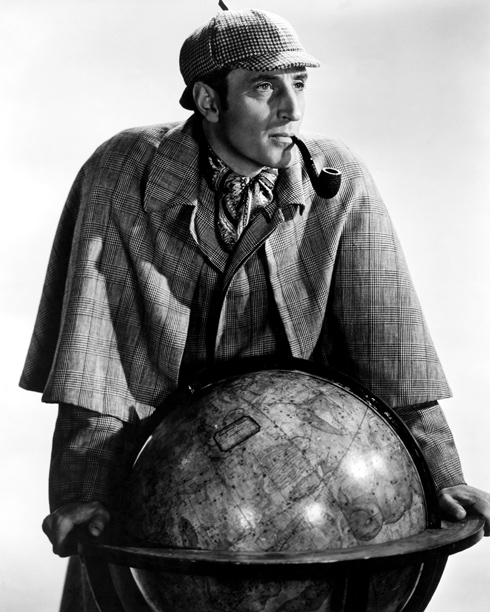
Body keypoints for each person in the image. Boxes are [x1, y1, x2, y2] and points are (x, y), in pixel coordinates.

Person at [20, 7, 490, 611]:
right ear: (208, 101)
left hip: (300, 486)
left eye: (300, 83)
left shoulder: (339, 181)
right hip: (160, 489)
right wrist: (80, 493)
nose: (293, 110)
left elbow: (391, 350)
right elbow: (96, 355)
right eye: (265, 87)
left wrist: (444, 474)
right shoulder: (125, 174)